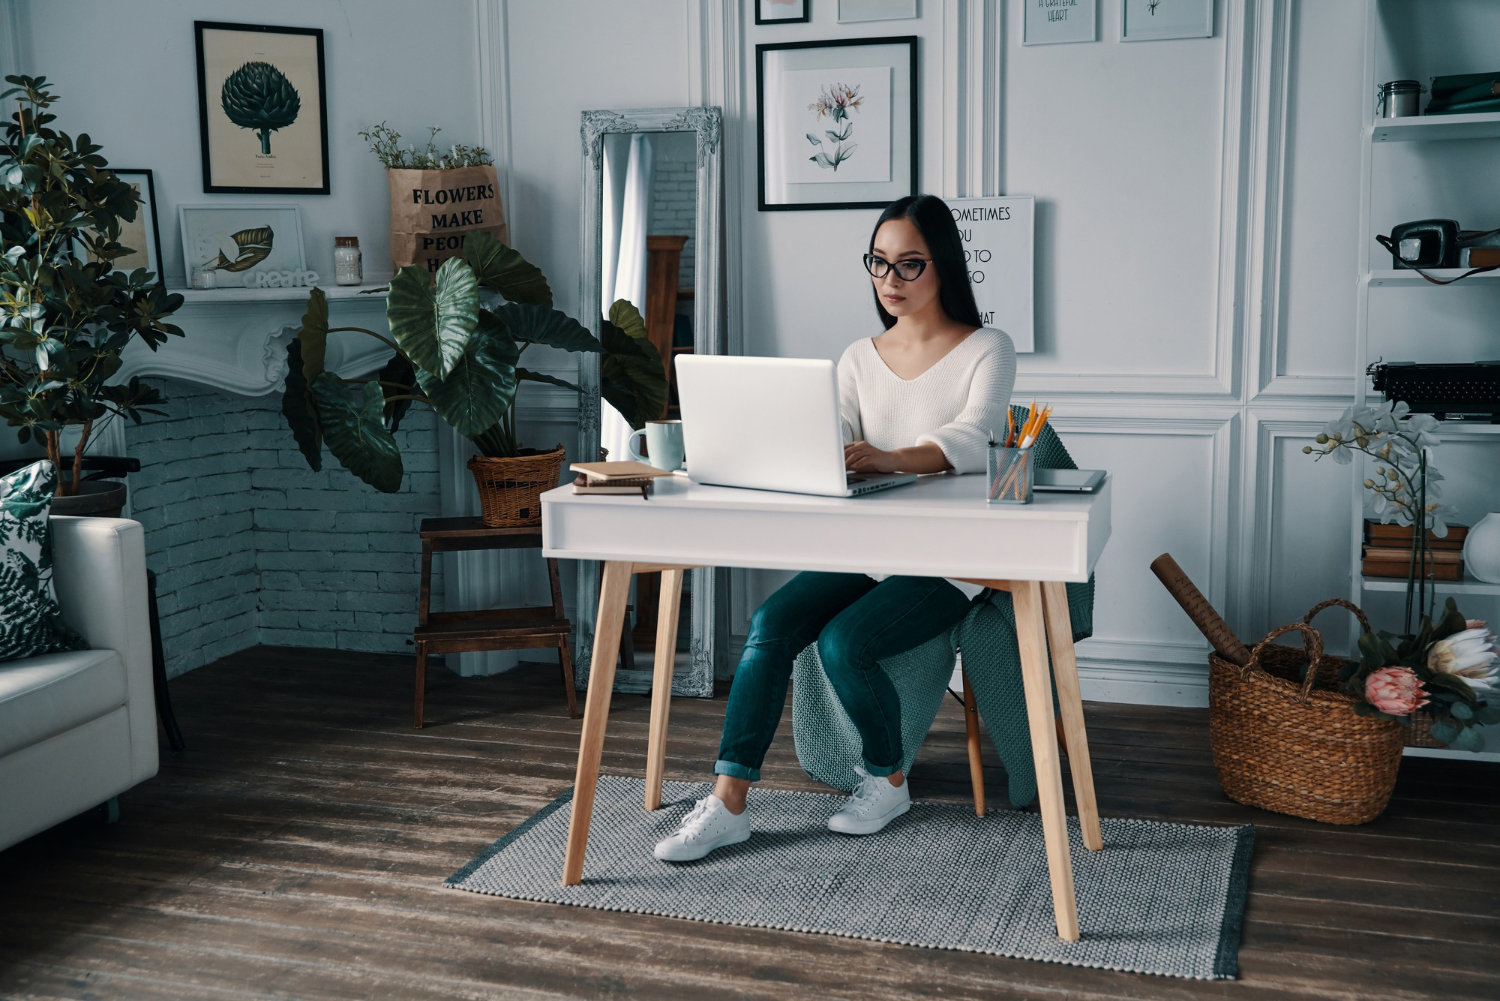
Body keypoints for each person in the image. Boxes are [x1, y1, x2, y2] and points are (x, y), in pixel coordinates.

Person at [653, 194, 1016, 862]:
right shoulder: (857, 357)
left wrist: (890, 456)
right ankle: (729, 801)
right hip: (868, 548)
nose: (890, 280)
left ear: (944, 266)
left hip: (951, 558)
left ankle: (887, 777)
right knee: (770, 622)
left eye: (910, 265)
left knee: (846, 642)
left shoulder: (987, 347)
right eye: (879, 264)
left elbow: (974, 435)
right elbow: (835, 438)